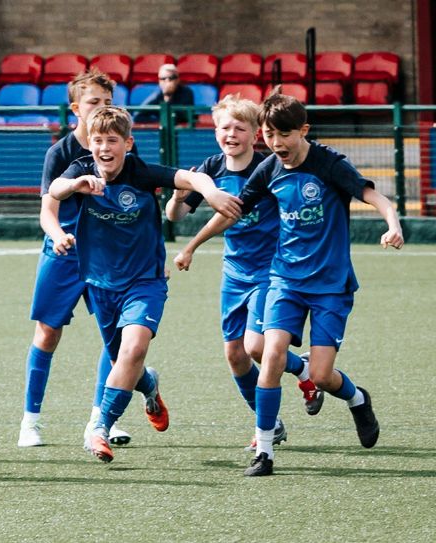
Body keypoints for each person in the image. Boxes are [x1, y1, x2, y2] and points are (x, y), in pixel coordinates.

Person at [170, 90, 404, 476]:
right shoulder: (268, 170)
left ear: (303, 131)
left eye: (285, 135)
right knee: (269, 353)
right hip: (284, 279)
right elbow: (234, 211)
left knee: (323, 375)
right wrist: (192, 246)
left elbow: (374, 196)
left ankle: (358, 399)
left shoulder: (329, 164)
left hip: (330, 283)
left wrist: (392, 224)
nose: (277, 144)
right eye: (270, 136)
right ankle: (264, 451)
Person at [49, 105, 243, 463]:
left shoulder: (141, 172)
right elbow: (57, 189)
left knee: (133, 349)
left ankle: (100, 426)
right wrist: (75, 184)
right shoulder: (81, 170)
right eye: (97, 141)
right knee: (124, 360)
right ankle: (149, 387)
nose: (104, 148)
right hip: (101, 284)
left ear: (128, 143)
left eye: (112, 140)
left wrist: (212, 193)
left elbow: (190, 177)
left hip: (145, 282)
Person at [168, 94, 324, 453]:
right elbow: (174, 217)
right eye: (224, 128)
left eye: (240, 128)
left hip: (272, 271)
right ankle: (292, 389)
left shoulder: (269, 168)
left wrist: (191, 247)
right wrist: (178, 196)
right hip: (234, 273)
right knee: (235, 355)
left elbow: (233, 213)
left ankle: (264, 425)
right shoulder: (209, 170)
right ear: (215, 132)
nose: (231, 134)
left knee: (256, 347)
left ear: (256, 134)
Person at [19, 69, 131, 450]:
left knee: (115, 337)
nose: (101, 108)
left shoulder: (122, 147)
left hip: (108, 257)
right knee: (48, 333)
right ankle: (30, 421)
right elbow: (47, 210)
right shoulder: (60, 153)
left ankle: (101, 420)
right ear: (75, 109)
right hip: (63, 253)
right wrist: (57, 235)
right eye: (93, 103)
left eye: (107, 102)